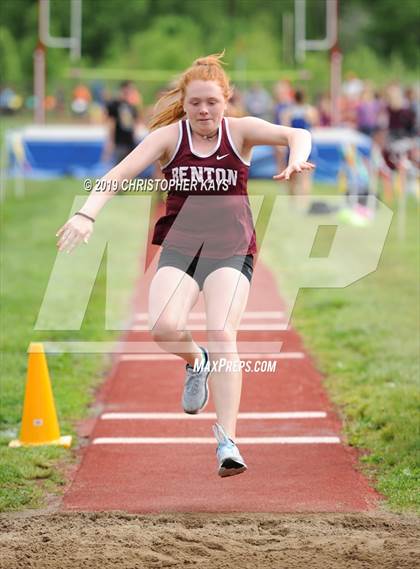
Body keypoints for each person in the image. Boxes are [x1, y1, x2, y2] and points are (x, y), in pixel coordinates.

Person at [56, 53, 314, 478]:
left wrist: (295, 157)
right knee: (162, 327)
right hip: (180, 247)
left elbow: (296, 132)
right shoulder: (168, 138)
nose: (204, 110)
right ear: (185, 101)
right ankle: (197, 361)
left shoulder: (241, 132)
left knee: (223, 330)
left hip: (232, 248)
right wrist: (87, 214)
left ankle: (227, 441)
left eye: (212, 101)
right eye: (195, 102)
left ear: (225, 100)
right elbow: (117, 175)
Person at [103, 80, 141, 164]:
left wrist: (135, 138)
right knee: (119, 167)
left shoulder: (131, 106)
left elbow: (134, 124)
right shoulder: (114, 104)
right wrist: (110, 142)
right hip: (119, 142)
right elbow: (111, 123)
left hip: (130, 141)